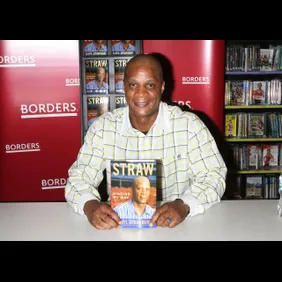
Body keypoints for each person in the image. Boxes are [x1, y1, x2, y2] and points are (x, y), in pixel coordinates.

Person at [65, 54, 227, 230]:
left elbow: (213, 175)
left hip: (178, 227)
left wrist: (184, 205)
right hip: (118, 227)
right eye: (133, 85)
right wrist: (90, 206)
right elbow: (79, 177)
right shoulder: (103, 128)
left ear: (162, 87)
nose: (141, 94)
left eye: (150, 85)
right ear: (124, 87)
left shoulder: (189, 125)